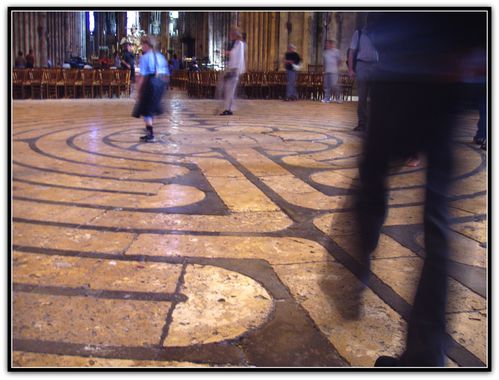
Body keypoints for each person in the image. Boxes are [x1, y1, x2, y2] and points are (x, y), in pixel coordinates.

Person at [350, 12, 486, 367]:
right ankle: (426, 355)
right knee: (436, 215)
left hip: (402, 71)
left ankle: (360, 257)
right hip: (447, 73)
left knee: (372, 176)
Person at [132, 35, 169, 142]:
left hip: (151, 83)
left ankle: (150, 133)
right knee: (151, 107)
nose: (142, 47)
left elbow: (142, 76)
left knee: (145, 109)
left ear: (147, 45)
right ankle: (150, 129)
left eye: (143, 45)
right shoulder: (161, 57)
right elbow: (167, 75)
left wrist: (138, 91)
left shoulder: (145, 57)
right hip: (160, 83)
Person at [348, 16, 379, 131]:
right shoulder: (359, 33)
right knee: (362, 97)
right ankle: (362, 122)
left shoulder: (378, 34)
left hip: (376, 66)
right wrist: (351, 69)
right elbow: (352, 52)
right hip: (362, 66)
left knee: (375, 97)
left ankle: (374, 123)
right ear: (368, 21)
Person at [219, 26, 246, 116]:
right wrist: (224, 53)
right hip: (232, 70)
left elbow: (238, 59)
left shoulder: (240, 44)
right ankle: (228, 108)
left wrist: (234, 70)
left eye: (232, 34)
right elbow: (232, 54)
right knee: (228, 90)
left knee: (230, 90)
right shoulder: (235, 44)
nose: (230, 35)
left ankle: (228, 109)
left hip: (234, 71)